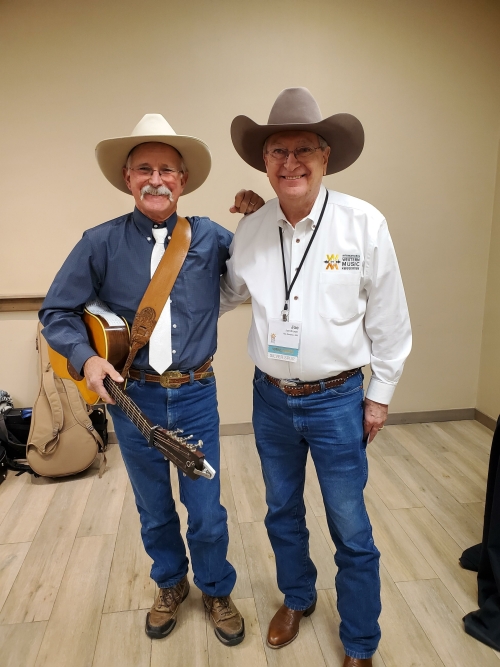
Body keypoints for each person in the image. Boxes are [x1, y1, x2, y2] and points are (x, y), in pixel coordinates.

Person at [40, 113, 265, 647]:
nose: (156, 179)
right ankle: (169, 585)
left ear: (183, 181)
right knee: (153, 506)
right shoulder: (99, 242)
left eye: (167, 170)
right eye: (145, 169)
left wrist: (261, 218)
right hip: (129, 394)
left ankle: (214, 588)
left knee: (206, 506)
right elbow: (57, 311)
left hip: (194, 393)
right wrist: (86, 361)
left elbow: (266, 268)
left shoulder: (211, 237)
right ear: (127, 177)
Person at [220, 88, 412, 666]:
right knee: (281, 510)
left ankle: (359, 641)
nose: (291, 161)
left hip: (337, 401)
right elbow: (226, 294)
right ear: (264, 161)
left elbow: (390, 320)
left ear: (326, 156)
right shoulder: (252, 229)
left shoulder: (363, 223)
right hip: (271, 399)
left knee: (349, 524)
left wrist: (377, 399)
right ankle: (297, 598)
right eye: (278, 150)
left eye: (305, 148)